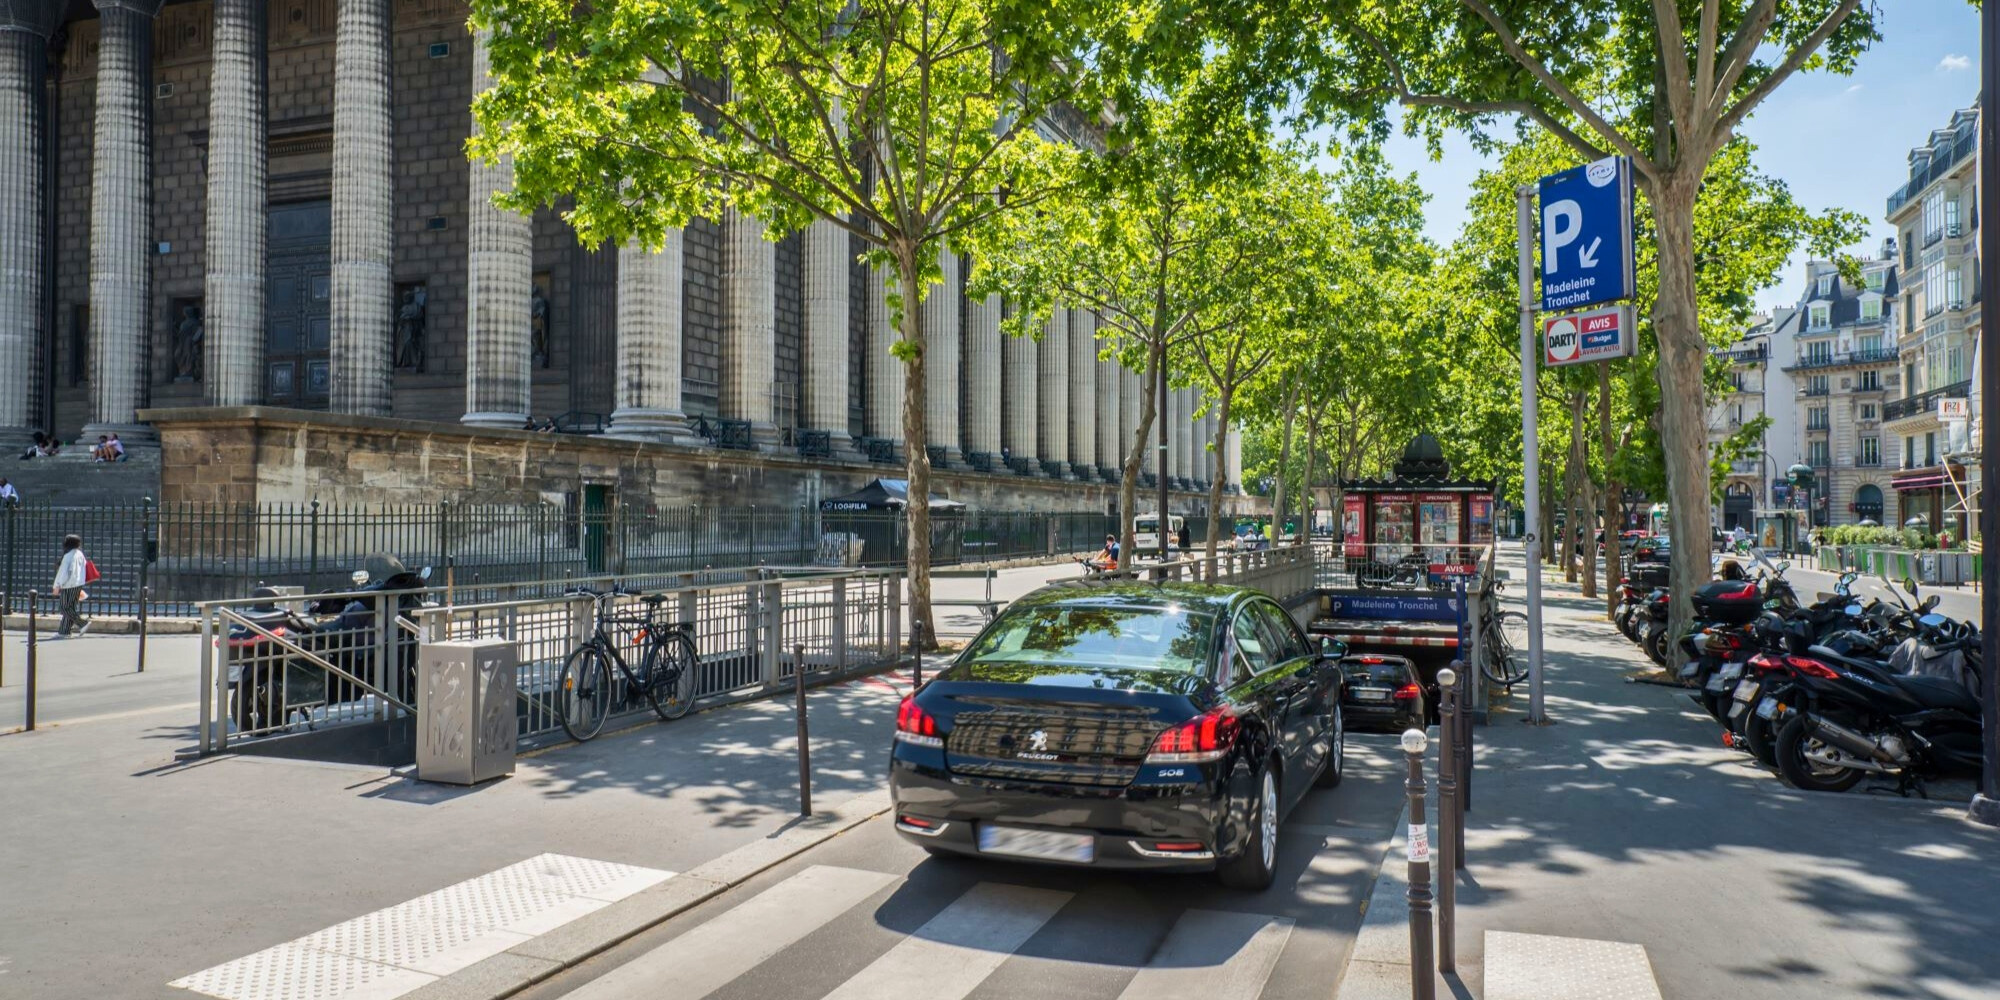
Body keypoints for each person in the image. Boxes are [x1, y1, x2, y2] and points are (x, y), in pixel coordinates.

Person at [51, 534, 90, 637]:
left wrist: (57, 586)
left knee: (64, 608)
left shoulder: (68, 556)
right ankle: (64, 631)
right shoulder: (80, 554)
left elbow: (63, 572)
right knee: (70, 607)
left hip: (69, 584)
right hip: (78, 583)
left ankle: (82, 623)